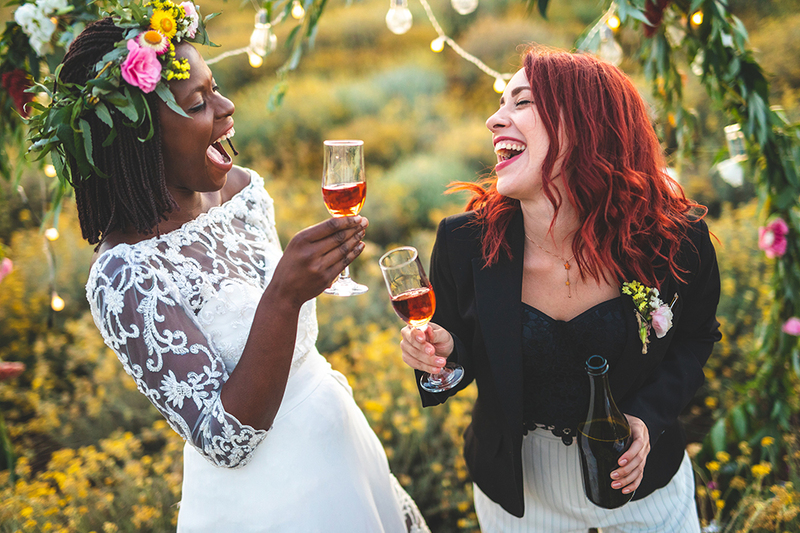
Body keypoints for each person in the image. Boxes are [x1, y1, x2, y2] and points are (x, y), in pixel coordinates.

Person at [38, 6, 429, 532]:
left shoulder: (243, 192)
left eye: (215, 88)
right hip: (265, 502)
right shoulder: (124, 277)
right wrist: (285, 296)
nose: (226, 108)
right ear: (140, 138)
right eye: (199, 102)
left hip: (341, 451)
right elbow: (225, 440)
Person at [400, 46, 721, 532]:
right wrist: (443, 354)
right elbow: (460, 355)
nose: (494, 119)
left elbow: (697, 336)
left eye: (521, 103)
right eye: (500, 104)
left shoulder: (676, 239)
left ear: (588, 123)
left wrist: (647, 418)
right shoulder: (462, 242)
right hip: (519, 498)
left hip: (646, 492)